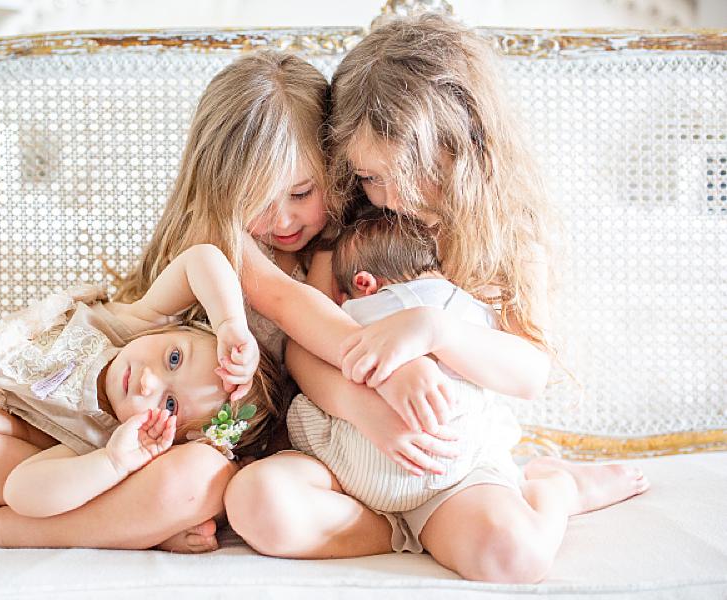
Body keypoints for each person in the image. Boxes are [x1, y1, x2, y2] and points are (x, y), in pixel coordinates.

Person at [0, 49, 453, 553]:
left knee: (197, 480)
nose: (283, 218)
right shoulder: (227, 244)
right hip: (70, 418)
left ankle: (0, 526)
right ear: (221, 189)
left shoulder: (343, 254)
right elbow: (288, 316)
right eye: (257, 198)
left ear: (334, 170)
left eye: (302, 191)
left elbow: (301, 364)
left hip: (174, 444)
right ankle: (95, 523)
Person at [224, 14, 649, 582]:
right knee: (257, 501)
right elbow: (304, 351)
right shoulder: (354, 231)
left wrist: (437, 330)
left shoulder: (509, 238)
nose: (391, 195)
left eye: (412, 172)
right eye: (370, 177)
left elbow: (529, 373)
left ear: (464, 145)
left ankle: (556, 489)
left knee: (515, 557)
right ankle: (392, 535)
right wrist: (362, 410)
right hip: (346, 460)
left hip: (452, 474)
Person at [0, 243, 278, 512]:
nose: (149, 383)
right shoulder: (137, 323)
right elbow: (201, 259)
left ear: (170, 442)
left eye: (170, 405)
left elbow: (24, 492)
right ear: (175, 329)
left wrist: (113, 464)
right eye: (174, 358)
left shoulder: (101, 446)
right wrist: (229, 324)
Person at [289, 204, 517, 517]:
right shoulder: (473, 307)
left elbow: (310, 342)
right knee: (485, 407)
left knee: (302, 409)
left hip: (361, 476)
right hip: (452, 467)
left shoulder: (361, 309)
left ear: (364, 284)